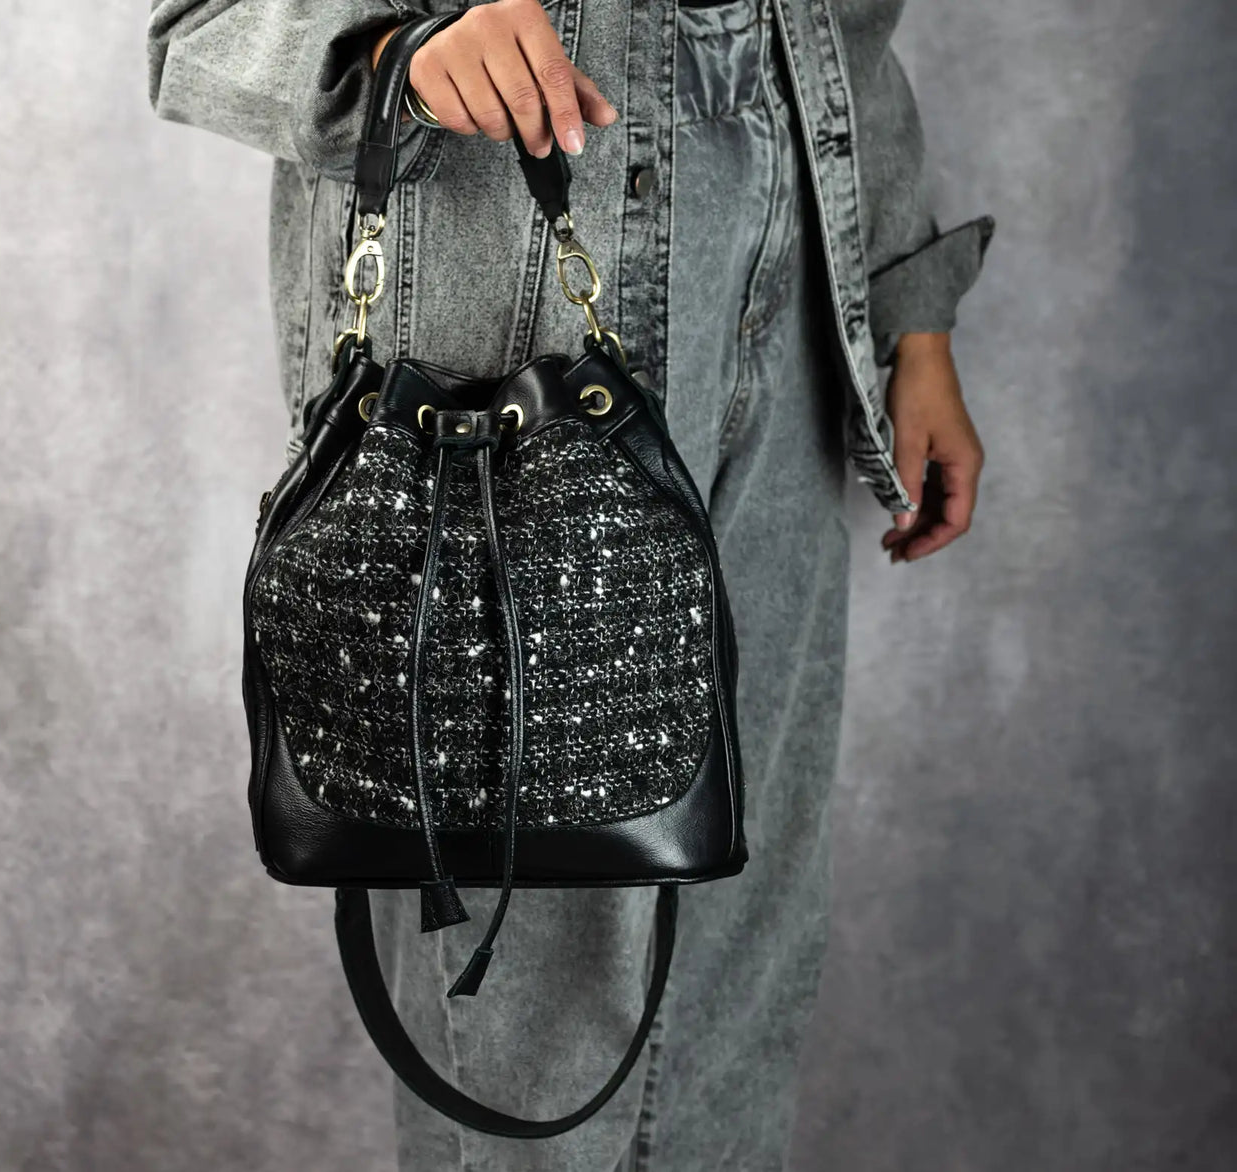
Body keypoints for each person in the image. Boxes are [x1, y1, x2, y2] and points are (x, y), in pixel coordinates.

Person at [148, 0, 993, 1167]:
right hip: (492, 299)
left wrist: (909, 309)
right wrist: (397, 55)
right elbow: (196, 25)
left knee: (737, 965)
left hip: (792, 298)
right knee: (527, 1027)